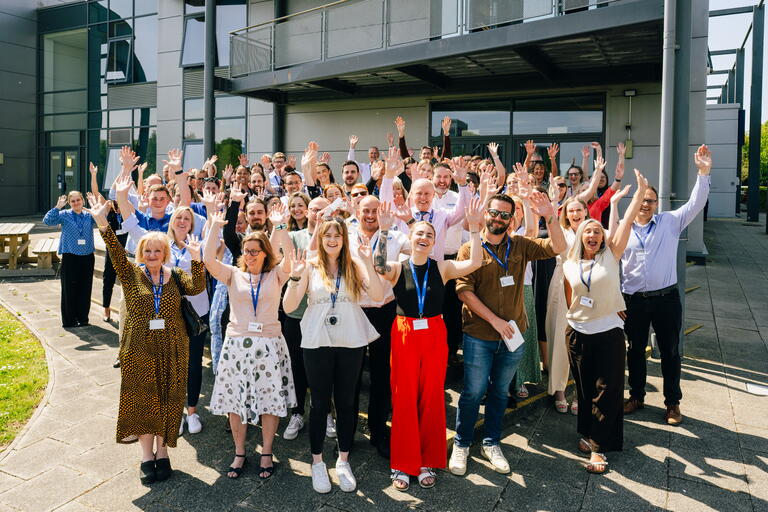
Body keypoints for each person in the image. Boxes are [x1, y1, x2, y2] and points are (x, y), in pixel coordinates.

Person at [87, 198, 206, 484]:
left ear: (165, 253)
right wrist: (101, 221)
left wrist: (197, 258)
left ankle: (163, 453)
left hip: (172, 348)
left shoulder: (176, 275)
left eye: (158, 250)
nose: (152, 254)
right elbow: (115, 250)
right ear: (141, 252)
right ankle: (146, 456)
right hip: (139, 350)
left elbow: (198, 286)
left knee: (167, 401)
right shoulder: (130, 274)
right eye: (148, 250)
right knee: (143, 402)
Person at [448, 192, 565, 476]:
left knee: (500, 393)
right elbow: (464, 291)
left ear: (511, 220)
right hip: (479, 335)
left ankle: (491, 442)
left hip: (513, 336)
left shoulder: (521, 245)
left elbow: (558, 246)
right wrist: (496, 321)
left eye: (504, 215)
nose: (498, 218)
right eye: (494, 213)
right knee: (473, 393)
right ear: (485, 214)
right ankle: (462, 444)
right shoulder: (469, 248)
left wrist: (550, 216)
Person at [373, 197, 484, 491]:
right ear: (411, 238)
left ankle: (426, 460)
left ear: (435, 241)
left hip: (434, 333)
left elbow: (475, 261)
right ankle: (402, 462)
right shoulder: (397, 267)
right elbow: (378, 265)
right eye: (420, 233)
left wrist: (473, 229)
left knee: (432, 396)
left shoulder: (443, 267)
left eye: (429, 235)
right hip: (405, 331)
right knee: (405, 396)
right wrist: (384, 231)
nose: (424, 238)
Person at [283, 217, 384, 494]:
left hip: (350, 341)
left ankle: (343, 459)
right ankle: (317, 462)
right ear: (320, 237)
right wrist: (294, 277)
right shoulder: (310, 265)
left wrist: (367, 262)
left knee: (346, 403)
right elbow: (289, 305)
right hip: (317, 341)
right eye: (327, 234)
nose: (332, 239)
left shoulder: (354, 265)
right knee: (318, 403)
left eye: (337, 235)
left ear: (344, 238)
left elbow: (376, 295)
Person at [562, 169, 648, 473]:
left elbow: (625, 222)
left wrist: (638, 193)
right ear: (580, 236)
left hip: (608, 332)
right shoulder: (570, 263)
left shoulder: (611, 255)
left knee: (606, 390)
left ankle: (599, 449)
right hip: (577, 333)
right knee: (584, 390)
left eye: (597, 231)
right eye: (588, 231)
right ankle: (588, 434)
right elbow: (571, 294)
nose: (593, 235)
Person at [622, 145, 712, 426]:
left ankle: (673, 403)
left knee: (670, 352)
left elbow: (696, 203)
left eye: (651, 200)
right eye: (642, 200)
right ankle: (636, 396)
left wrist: (703, 172)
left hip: (665, 299)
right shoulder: (623, 229)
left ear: (656, 204)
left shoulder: (670, 222)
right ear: (634, 202)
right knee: (635, 350)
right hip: (633, 300)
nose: (646, 205)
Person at [204, 211, 296, 480]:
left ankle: (267, 452)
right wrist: (215, 227)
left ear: (265, 253)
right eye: (247, 251)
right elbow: (209, 259)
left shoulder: (277, 275)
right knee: (236, 402)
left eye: (256, 251)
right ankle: (240, 451)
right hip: (236, 348)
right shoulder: (234, 274)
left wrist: (279, 226)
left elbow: (290, 258)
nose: (251, 255)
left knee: (269, 401)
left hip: (269, 346)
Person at [348, 195, 410, 459]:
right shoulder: (347, 235)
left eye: (375, 210)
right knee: (350, 375)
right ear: (356, 211)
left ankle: (377, 429)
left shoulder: (395, 237)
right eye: (366, 210)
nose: (371, 215)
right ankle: (347, 431)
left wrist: (407, 220)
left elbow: (425, 247)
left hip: (385, 311)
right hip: (354, 310)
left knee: (382, 374)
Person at [281, 197, 329, 441]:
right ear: (307, 212)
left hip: (324, 315)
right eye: (314, 210)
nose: (317, 214)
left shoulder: (333, 239)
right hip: (296, 314)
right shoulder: (295, 237)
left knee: (322, 368)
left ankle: (326, 413)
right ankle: (297, 412)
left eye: (322, 210)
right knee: (296, 367)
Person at [546, 196, 591, 414]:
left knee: (584, 342)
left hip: (587, 287)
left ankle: (580, 393)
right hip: (561, 281)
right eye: (570, 211)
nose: (574, 214)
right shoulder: (561, 232)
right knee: (559, 338)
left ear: (585, 211)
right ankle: (559, 390)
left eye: (578, 210)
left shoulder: (593, 231)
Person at [43, 190, 96, 328]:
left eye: (78, 200)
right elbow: (47, 221)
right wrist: (58, 207)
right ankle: (69, 320)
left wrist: (95, 205)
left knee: (85, 289)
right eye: (73, 201)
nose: (76, 203)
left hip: (87, 256)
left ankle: (83, 318)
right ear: (69, 203)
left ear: (82, 201)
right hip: (70, 256)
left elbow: (102, 219)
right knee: (69, 289)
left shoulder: (89, 215)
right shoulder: (64, 214)